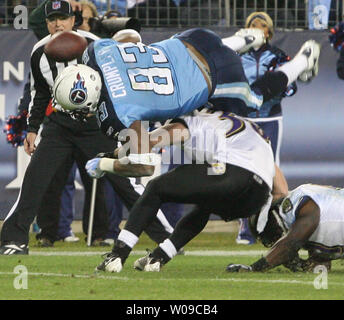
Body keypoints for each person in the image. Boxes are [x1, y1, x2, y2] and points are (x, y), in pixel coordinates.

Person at [0, 1, 172, 255]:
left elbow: (119, 85)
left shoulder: (97, 45)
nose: (57, 24)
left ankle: (166, 237)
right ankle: (13, 240)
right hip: (59, 124)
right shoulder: (39, 52)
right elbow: (40, 95)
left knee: (125, 182)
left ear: (74, 20)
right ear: (46, 24)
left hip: (95, 125)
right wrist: (32, 128)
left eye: (62, 18)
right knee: (34, 180)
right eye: (52, 20)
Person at [54, 27, 320, 161]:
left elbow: (144, 158)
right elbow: (131, 37)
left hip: (220, 78)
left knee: (256, 101)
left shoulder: (115, 115)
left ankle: (301, 61)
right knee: (190, 49)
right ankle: (244, 41)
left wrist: (113, 161)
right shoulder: (97, 51)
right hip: (195, 38)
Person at [92, 106, 289, 273]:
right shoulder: (247, 129)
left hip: (231, 173)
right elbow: (281, 188)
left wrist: (111, 155)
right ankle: (158, 258)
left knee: (156, 187)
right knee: (205, 206)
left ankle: (118, 254)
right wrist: (265, 211)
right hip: (258, 195)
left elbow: (149, 142)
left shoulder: (194, 120)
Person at [235, 12, 297, 245]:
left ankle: (270, 226)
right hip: (244, 118)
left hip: (270, 119)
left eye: (262, 26)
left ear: (269, 31)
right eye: (253, 25)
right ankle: (244, 226)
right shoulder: (237, 55)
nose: (257, 28)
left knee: (270, 173)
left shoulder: (278, 56)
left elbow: (291, 86)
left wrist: (273, 91)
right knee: (243, 172)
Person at [226, 184, 344, 273]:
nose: (273, 243)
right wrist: (298, 264)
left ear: (272, 222)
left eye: (270, 238)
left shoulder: (300, 203)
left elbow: (290, 244)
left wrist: (254, 269)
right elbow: (319, 267)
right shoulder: (311, 221)